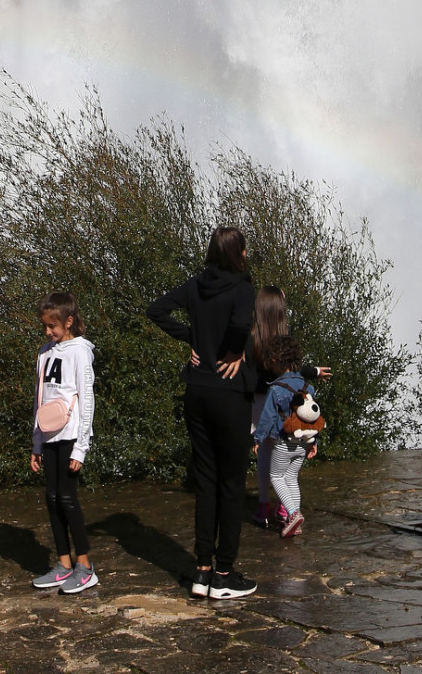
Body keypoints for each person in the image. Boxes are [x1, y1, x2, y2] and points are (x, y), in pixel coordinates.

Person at [148, 225, 257, 602]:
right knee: (231, 484)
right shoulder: (244, 287)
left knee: (206, 481)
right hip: (229, 394)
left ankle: (202, 571)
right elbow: (242, 323)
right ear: (237, 253)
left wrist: (192, 337)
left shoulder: (195, 285)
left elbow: (156, 309)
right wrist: (234, 352)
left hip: (197, 390)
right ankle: (225, 574)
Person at [29, 289, 98, 594]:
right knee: (52, 498)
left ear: (69, 322)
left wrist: (82, 446)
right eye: (45, 326)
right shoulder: (44, 353)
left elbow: (87, 399)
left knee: (68, 499)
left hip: (70, 437)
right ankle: (63, 564)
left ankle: (85, 566)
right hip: (49, 434)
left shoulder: (80, 352)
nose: (48, 332)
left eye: (53, 326)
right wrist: (36, 443)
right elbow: (39, 399)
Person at [247, 285, 330, 529]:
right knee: (287, 450)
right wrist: (312, 372)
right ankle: (286, 509)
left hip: (261, 400)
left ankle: (264, 507)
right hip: (284, 402)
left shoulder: (251, 336)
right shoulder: (284, 335)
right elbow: (291, 369)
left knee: (264, 453)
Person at [252, 332, 322, 537]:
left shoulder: (276, 389)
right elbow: (312, 417)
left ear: (275, 361)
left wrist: (258, 439)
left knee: (276, 476)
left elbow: (266, 418)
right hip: (301, 442)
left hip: (282, 442)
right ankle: (294, 522)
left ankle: (293, 514)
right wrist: (314, 442)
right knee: (291, 478)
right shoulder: (308, 387)